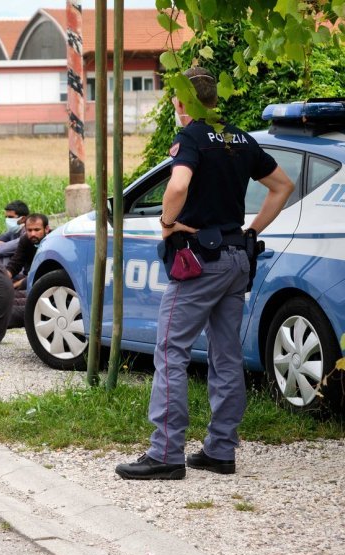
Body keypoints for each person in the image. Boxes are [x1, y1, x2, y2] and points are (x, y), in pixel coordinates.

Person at [115, 67, 294, 480]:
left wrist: (166, 221)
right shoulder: (240, 138)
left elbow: (177, 186)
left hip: (200, 261)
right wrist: (252, 231)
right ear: (215, 99)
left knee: (168, 350)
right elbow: (282, 186)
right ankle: (219, 450)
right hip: (236, 257)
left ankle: (165, 453)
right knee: (226, 354)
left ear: (181, 103)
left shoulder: (191, 137)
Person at [5, 213, 51, 289]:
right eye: (29, 230)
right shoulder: (25, 240)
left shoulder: (52, 241)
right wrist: (2, 280)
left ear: (46, 229)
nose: (33, 234)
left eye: (37, 230)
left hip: (45, 279)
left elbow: (45, 272)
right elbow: (15, 264)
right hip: (27, 276)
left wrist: (14, 286)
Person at [0, 200, 29, 265]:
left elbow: (0, 250)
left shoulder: (28, 233)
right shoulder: (14, 231)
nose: (7, 220)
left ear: (23, 219)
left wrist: (2, 244)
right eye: (6, 217)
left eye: (10, 217)